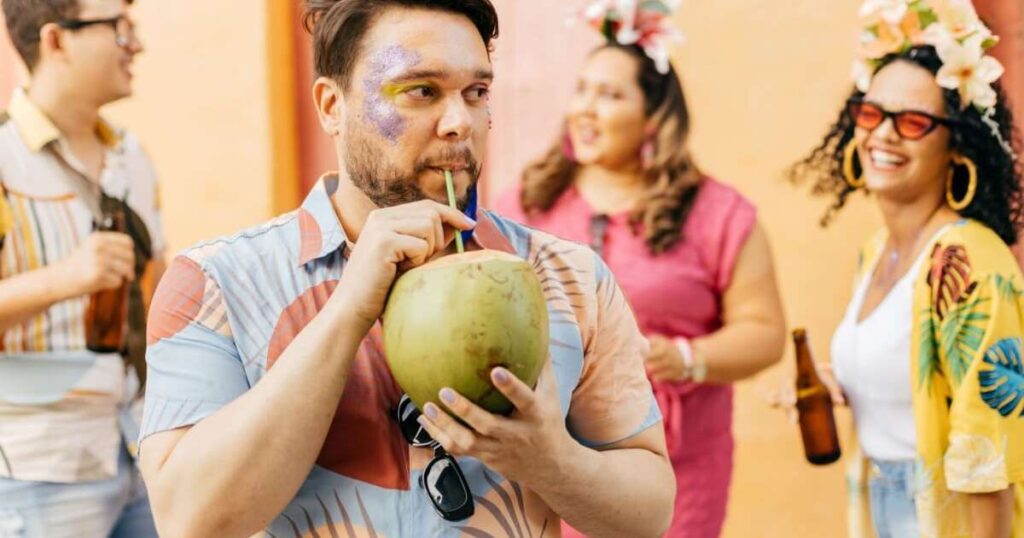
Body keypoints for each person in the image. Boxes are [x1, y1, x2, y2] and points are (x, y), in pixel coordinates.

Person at [137, 1, 675, 536]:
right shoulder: (217, 284)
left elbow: (649, 516)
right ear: (331, 106)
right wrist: (348, 311)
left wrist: (551, 462)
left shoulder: (569, 278)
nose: (459, 123)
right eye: (421, 91)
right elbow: (190, 521)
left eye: (476, 92)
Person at [494, 2, 786, 537]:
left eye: (610, 95)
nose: (586, 108)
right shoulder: (527, 204)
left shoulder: (717, 214)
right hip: (550, 469)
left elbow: (765, 332)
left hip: (676, 472)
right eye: (583, 89)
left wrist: (687, 358)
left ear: (654, 117)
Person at [790, 1, 1024, 536]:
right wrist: (838, 382)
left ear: (957, 146)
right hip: (880, 502)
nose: (883, 135)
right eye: (871, 114)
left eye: (914, 122)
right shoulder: (877, 251)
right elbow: (908, 381)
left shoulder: (967, 263)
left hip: (949, 517)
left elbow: (988, 457)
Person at [0, 0, 165, 536]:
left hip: (142, 446)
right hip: (35, 471)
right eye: (118, 27)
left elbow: (158, 289)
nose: (135, 44)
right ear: (56, 41)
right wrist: (64, 279)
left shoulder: (131, 155)